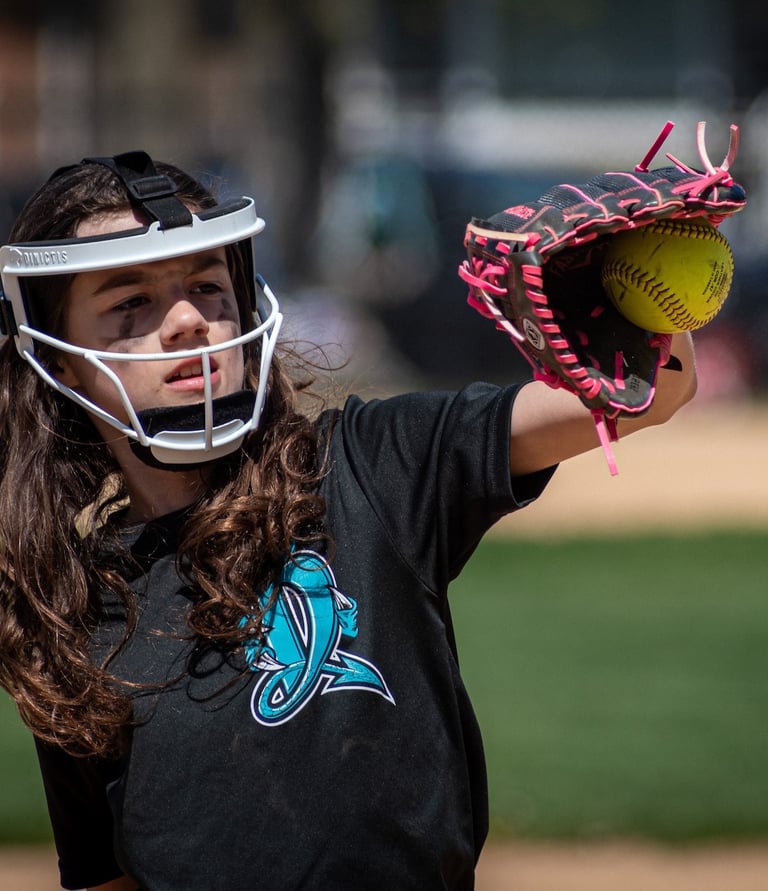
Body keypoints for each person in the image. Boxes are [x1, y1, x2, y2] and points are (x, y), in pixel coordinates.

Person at [0, 152, 697, 891]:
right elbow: (105, 876)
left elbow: (650, 394)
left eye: (207, 285)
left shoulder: (370, 469)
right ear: (59, 356)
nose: (186, 321)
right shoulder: (72, 608)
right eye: (129, 301)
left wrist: (630, 298)